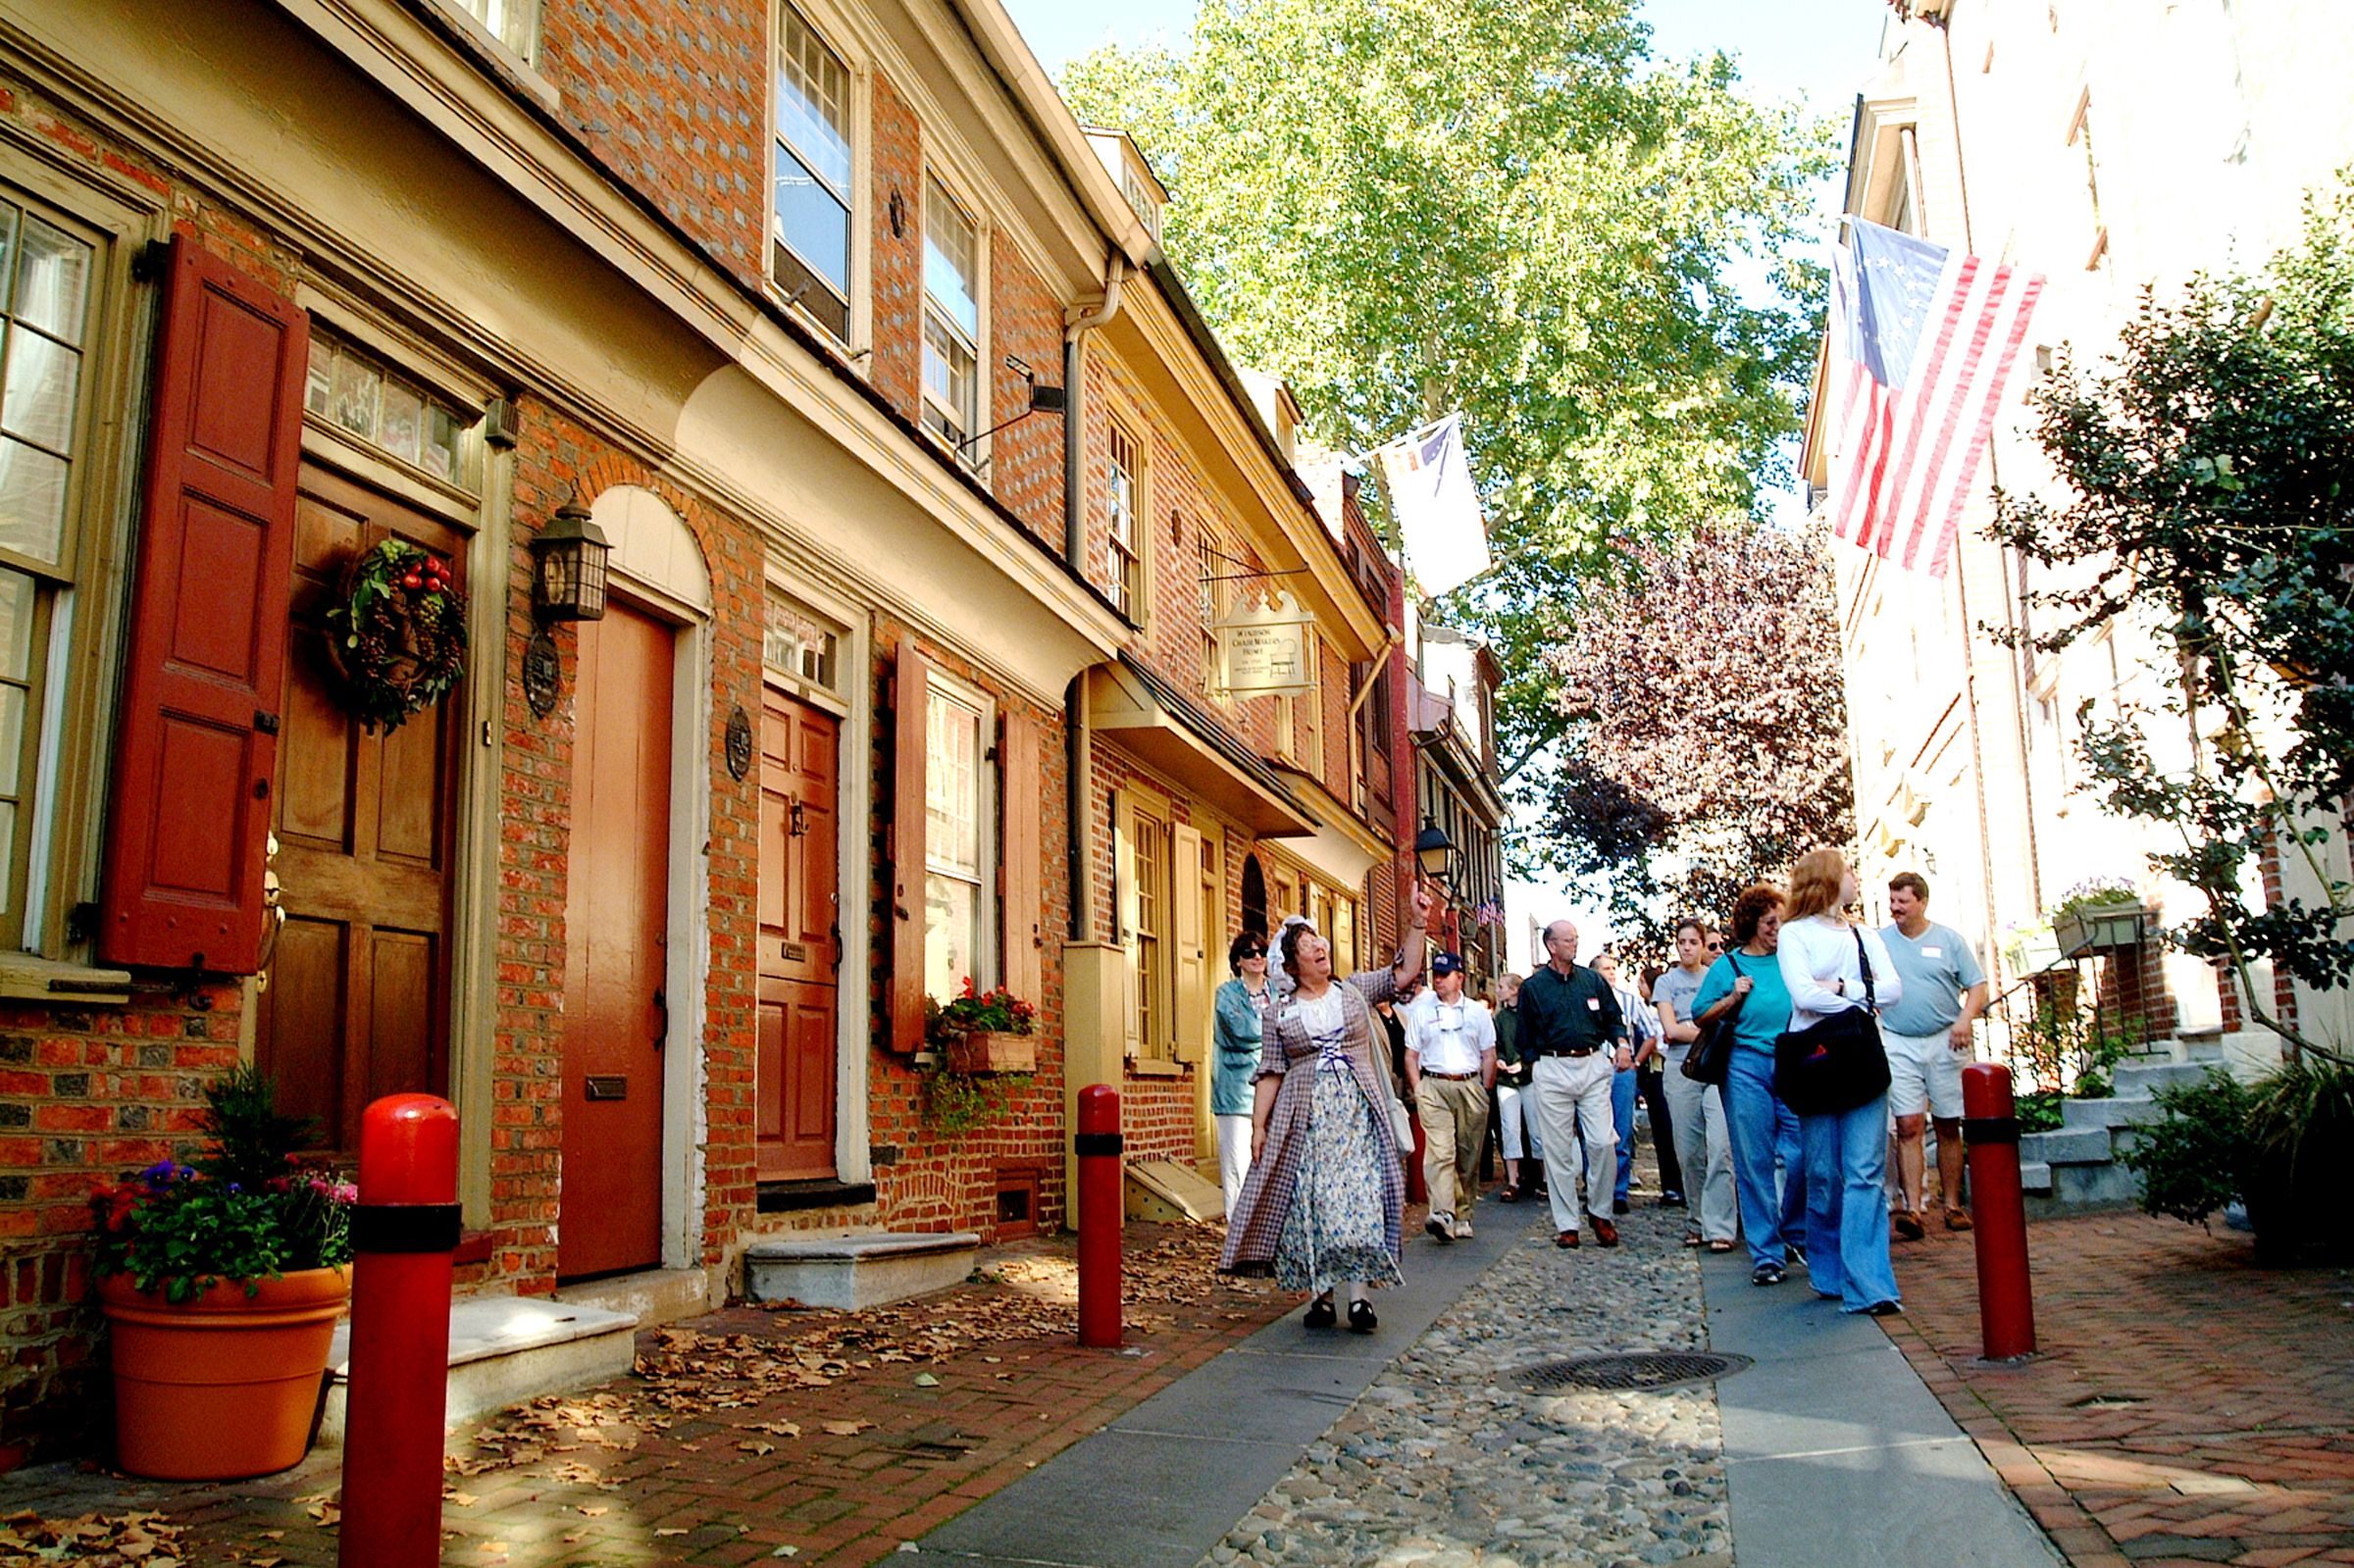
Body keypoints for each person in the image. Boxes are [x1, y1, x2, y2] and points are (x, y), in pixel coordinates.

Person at [1218, 886, 1433, 1333]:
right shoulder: (1279, 1012)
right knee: (1313, 1201)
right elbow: (1271, 1070)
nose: (1320, 947)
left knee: (1358, 1198)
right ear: (1292, 965)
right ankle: (1320, 1295)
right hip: (1306, 1119)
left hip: (1357, 1114)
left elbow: (1404, 972)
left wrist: (1416, 922)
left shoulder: (1352, 991)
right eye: (1308, 945)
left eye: (1320, 941)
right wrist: (1259, 1126)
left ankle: (1359, 1298)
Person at [1779, 848, 1907, 1316]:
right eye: (1849, 871)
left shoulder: (1864, 935)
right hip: (1815, 1060)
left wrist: (1843, 990)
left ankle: (1869, 1284)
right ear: (1830, 880)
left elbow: (1892, 990)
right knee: (1823, 1174)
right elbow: (1802, 994)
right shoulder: (1794, 934)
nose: (1856, 879)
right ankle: (1828, 1269)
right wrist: (1859, 1001)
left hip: (1860, 1059)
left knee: (1865, 1172)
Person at [1691, 887, 1807, 1287]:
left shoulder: (1795, 960)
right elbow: (1700, 1014)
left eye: (1781, 921)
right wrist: (1732, 998)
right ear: (1752, 925)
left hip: (1793, 1059)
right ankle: (1767, 1253)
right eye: (1770, 922)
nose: (1778, 929)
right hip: (1745, 1064)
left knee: (1801, 1154)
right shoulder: (1728, 965)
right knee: (1754, 1159)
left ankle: (1794, 1231)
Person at [1877, 871, 1987, 1239]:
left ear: (1921, 902)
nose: (1896, 909)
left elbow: (1977, 985)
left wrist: (1964, 1020)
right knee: (1907, 1125)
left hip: (1945, 1039)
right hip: (1898, 1040)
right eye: (1892, 902)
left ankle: (1952, 1204)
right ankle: (1913, 1208)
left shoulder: (1948, 940)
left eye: (1902, 902)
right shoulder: (1880, 942)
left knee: (1947, 1123)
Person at [1515, 920, 1625, 1249]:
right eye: (1567, 940)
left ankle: (1600, 1211)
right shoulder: (1534, 988)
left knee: (1603, 1141)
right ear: (1551, 945)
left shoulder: (1592, 981)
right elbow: (1524, 1033)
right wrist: (1538, 1063)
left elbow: (1613, 1017)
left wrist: (1620, 1043)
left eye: (1576, 939)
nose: (1573, 945)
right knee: (1557, 1149)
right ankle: (1567, 1224)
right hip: (1552, 1066)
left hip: (1591, 1063)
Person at [1654, 919, 1736, 1254]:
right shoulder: (1666, 982)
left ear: (1704, 945)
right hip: (1681, 1068)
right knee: (1689, 1151)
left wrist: (1695, 1025)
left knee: (1721, 1147)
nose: (1687, 947)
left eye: (1693, 942)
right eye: (1682, 942)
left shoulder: (1717, 977)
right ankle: (1698, 1219)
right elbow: (1670, 1029)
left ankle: (1721, 1226)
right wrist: (1705, 1026)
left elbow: (1727, 1023)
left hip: (1716, 1067)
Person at [1404, 952, 1497, 1242]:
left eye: (1445, 975)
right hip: (1434, 1083)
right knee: (1441, 1152)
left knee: (1467, 1153)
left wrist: (1484, 1088)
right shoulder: (1422, 1012)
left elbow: (1489, 1054)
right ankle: (1443, 1213)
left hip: (1469, 1084)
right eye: (1437, 975)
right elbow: (1411, 1054)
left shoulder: (1478, 1013)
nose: (1439, 980)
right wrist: (1419, 1088)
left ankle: (1464, 1212)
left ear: (1460, 978)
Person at [1590, 949, 1658, 1216]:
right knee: (1593, 1133)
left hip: (1621, 1072)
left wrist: (1636, 1062)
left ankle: (1618, 1191)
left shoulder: (1629, 1001)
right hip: (1594, 1071)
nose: (1611, 973)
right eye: (1605, 969)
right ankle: (1596, 1188)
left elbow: (1651, 1035)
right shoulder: (1586, 1000)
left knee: (1622, 1130)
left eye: (1613, 968)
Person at [1211, 931, 1272, 1219]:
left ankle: (1264, 1232)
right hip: (1235, 1092)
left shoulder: (1278, 993)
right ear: (1238, 961)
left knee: (1269, 1164)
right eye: (1249, 953)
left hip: (1272, 1091)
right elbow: (1240, 1031)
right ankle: (1238, 1231)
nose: (1257, 957)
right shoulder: (1226, 994)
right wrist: (1273, 1031)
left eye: (1261, 951)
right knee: (1238, 1165)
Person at [1633, 963, 1685, 1208]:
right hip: (1655, 1074)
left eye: (1642, 982)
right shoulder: (1647, 1010)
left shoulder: (1658, 1011)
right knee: (1662, 1133)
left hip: (1666, 1069)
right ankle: (1671, 1185)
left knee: (1671, 1129)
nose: (1639, 988)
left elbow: (1660, 1041)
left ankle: (1677, 1184)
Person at [1491, 974, 1541, 1201]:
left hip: (1529, 1077)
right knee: (1510, 1129)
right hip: (1507, 1080)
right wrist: (1500, 1059)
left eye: (1501, 987)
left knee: (1536, 1129)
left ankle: (1544, 1178)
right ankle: (1512, 1181)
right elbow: (1497, 1043)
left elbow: (1537, 1044)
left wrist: (1524, 1063)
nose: (1498, 991)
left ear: (1513, 990)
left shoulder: (1531, 1016)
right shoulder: (1500, 1018)